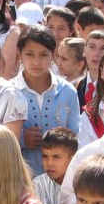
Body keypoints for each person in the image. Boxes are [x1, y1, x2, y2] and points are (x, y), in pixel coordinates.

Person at [14, 26, 80, 176]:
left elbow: (76, 137)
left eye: (43, 55)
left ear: (54, 54)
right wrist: (22, 139)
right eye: (29, 54)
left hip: (61, 181)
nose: (36, 62)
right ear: (19, 54)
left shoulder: (67, 92)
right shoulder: (9, 92)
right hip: (21, 180)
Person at [32, 127, 79, 204]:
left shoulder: (83, 184)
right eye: (45, 156)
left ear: (72, 159)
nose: (49, 163)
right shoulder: (39, 183)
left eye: (56, 157)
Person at [76, 30, 104, 110]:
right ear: (84, 51)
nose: (96, 53)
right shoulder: (77, 86)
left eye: (103, 48)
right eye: (92, 47)